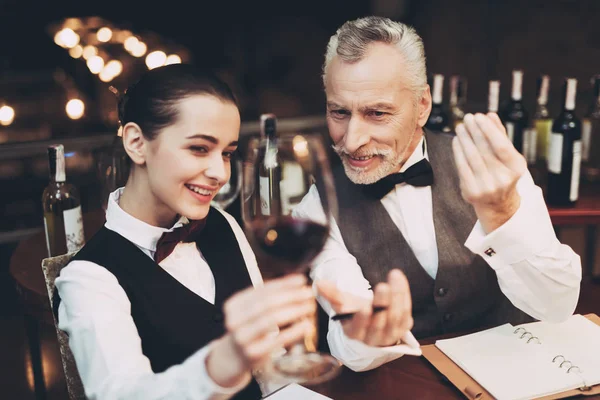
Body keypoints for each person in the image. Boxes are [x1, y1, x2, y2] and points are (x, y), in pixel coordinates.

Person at [294, 16, 582, 372]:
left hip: (518, 374)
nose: (352, 140)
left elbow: (557, 303)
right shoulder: (316, 207)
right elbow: (350, 346)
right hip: (410, 385)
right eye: (339, 112)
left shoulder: (492, 167)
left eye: (377, 113)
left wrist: (503, 213)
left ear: (423, 105)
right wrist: (369, 334)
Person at [54, 64, 318, 399]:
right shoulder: (89, 278)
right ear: (136, 143)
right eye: (199, 148)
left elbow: (271, 371)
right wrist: (219, 365)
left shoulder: (224, 224)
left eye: (227, 153)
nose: (220, 172)